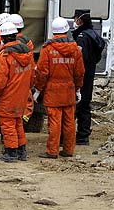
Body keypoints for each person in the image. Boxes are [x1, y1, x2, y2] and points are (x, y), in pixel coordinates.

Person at [34, 17, 85, 158]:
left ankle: (52, 151)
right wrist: (78, 89)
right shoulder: (75, 49)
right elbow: (80, 72)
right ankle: (68, 150)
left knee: (54, 122)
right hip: (69, 90)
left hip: (53, 91)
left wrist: (38, 89)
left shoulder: (48, 49)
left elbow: (42, 72)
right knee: (69, 122)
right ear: (66, 30)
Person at [0, 22, 34, 162]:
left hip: (7, 96)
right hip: (22, 95)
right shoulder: (27, 53)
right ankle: (21, 151)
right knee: (18, 122)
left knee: (7, 125)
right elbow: (32, 76)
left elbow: (0, 80)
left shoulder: (5, 56)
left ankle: (11, 152)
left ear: (3, 38)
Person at [72, 9, 105, 145]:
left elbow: (80, 59)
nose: (74, 22)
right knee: (85, 104)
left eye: (75, 19)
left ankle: (75, 136)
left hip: (82, 75)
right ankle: (83, 135)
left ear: (80, 20)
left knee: (77, 106)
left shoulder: (82, 37)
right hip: (89, 74)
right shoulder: (93, 35)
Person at [8, 13, 34, 123]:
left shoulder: (6, 42)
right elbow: (31, 64)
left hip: (10, 80)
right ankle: (21, 123)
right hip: (24, 79)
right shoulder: (28, 43)